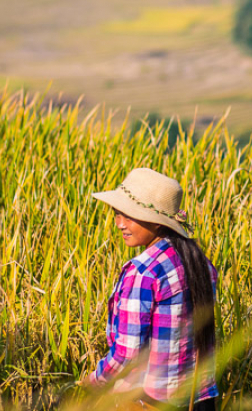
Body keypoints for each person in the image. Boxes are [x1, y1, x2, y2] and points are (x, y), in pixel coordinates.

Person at [89, 168, 219, 409]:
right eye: (117, 214)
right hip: (201, 398)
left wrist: (95, 382)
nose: (119, 224)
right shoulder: (201, 263)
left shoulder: (143, 272)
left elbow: (127, 354)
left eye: (129, 216)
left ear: (158, 223)